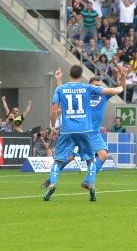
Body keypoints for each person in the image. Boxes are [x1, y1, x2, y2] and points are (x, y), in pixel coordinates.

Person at [43, 65, 123, 202]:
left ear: (70, 74)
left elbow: (54, 110)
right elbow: (115, 89)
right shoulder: (87, 88)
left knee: (58, 159)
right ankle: (91, 184)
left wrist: (52, 126)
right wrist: (120, 85)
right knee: (90, 159)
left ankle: (52, 183)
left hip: (68, 130)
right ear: (81, 75)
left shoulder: (61, 89)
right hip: (85, 130)